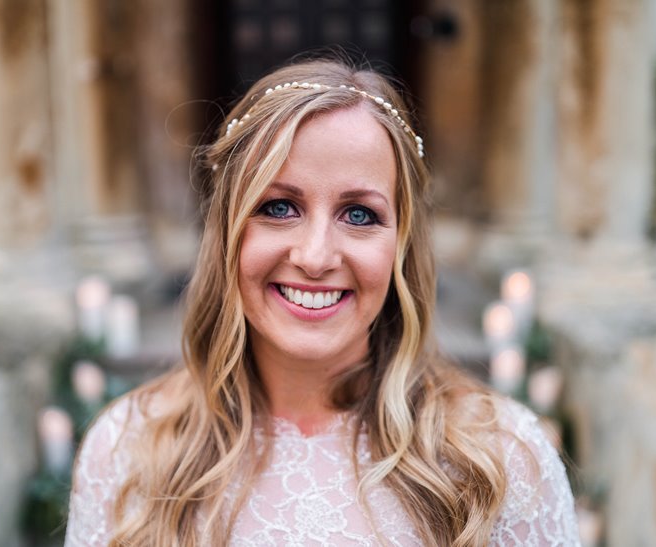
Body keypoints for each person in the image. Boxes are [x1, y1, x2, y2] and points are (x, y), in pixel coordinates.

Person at [65, 58, 581, 546]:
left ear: (401, 245)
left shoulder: (503, 460)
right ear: (226, 233)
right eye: (279, 206)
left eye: (359, 215)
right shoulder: (125, 451)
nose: (314, 257)